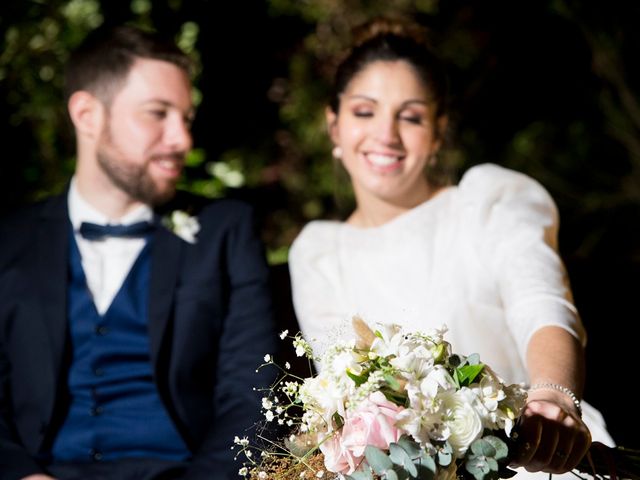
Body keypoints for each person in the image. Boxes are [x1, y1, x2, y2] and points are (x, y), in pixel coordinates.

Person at [288, 16, 615, 478]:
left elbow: (541, 303)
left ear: (438, 132)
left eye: (412, 116)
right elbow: (349, 399)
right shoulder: (318, 253)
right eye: (365, 111)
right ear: (334, 124)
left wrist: (554, 397)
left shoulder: (489, 200)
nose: (386, 134)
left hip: (535, 460)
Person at [0, 25, 276, 480]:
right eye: (157, 114)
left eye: (185, 118)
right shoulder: (10, 240)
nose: (182, 140)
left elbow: (252, 400)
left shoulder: (226, 232)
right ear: (87, 114)